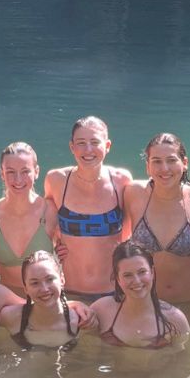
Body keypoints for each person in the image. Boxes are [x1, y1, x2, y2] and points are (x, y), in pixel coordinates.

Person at [43, 116, 133, 302]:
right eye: (81, 143)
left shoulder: (121, 180)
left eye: (94, 142)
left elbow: (129, 234)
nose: (88, 150)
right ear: (72, 147)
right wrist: (56, 246)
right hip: (68, 291)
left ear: (107, 146)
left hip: (113, 292)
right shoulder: (57, 180)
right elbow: (46, 224)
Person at [122, 133, 190, 306]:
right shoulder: (133, 193)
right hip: (146, 303)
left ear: (185, 163)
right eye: (157, 161)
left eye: (172, 160)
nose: (164, 168)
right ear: (147, 166)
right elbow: (114, 238)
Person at [0, 142, 57, 295]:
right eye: (10, 172)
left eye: (25, 171)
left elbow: (66, 252)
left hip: (44, 299)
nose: (18, 179)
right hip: (4, 302)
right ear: (2, 173)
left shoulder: (50, 210)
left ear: (36, 172)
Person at [90, 241, 189, 349]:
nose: (137, 281)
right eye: (128, 275)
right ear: (118, 279)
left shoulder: (175, 319)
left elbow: (184, 363)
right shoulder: (101, 310)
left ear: (152, 272)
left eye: (142, 272)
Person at [0, 250, 87, 350]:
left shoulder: (82, 322)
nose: (44, 289)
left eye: (49, 279)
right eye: (35, 283)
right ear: (26, 289)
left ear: (62, 280)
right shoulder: (11, 318)